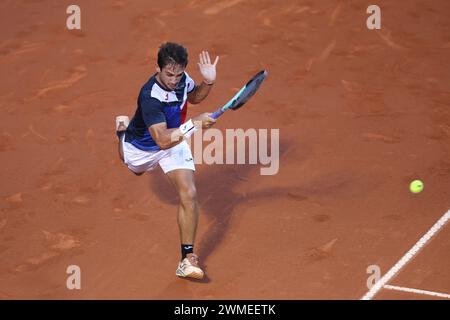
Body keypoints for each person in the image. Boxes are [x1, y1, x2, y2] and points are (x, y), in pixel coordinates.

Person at [115, 42, 219, 279]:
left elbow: (194, 98)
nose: (174, 80)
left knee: (189, 193)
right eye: (169, 75)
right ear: (157, 68)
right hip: (143, 147)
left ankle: (187, 259)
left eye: (178, 74)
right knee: (134, 168)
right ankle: (122, 131)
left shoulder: (182, 79)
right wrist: (194, 124)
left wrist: (208, 82)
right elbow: (160, 140)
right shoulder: (150, 96)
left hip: (174, 140)